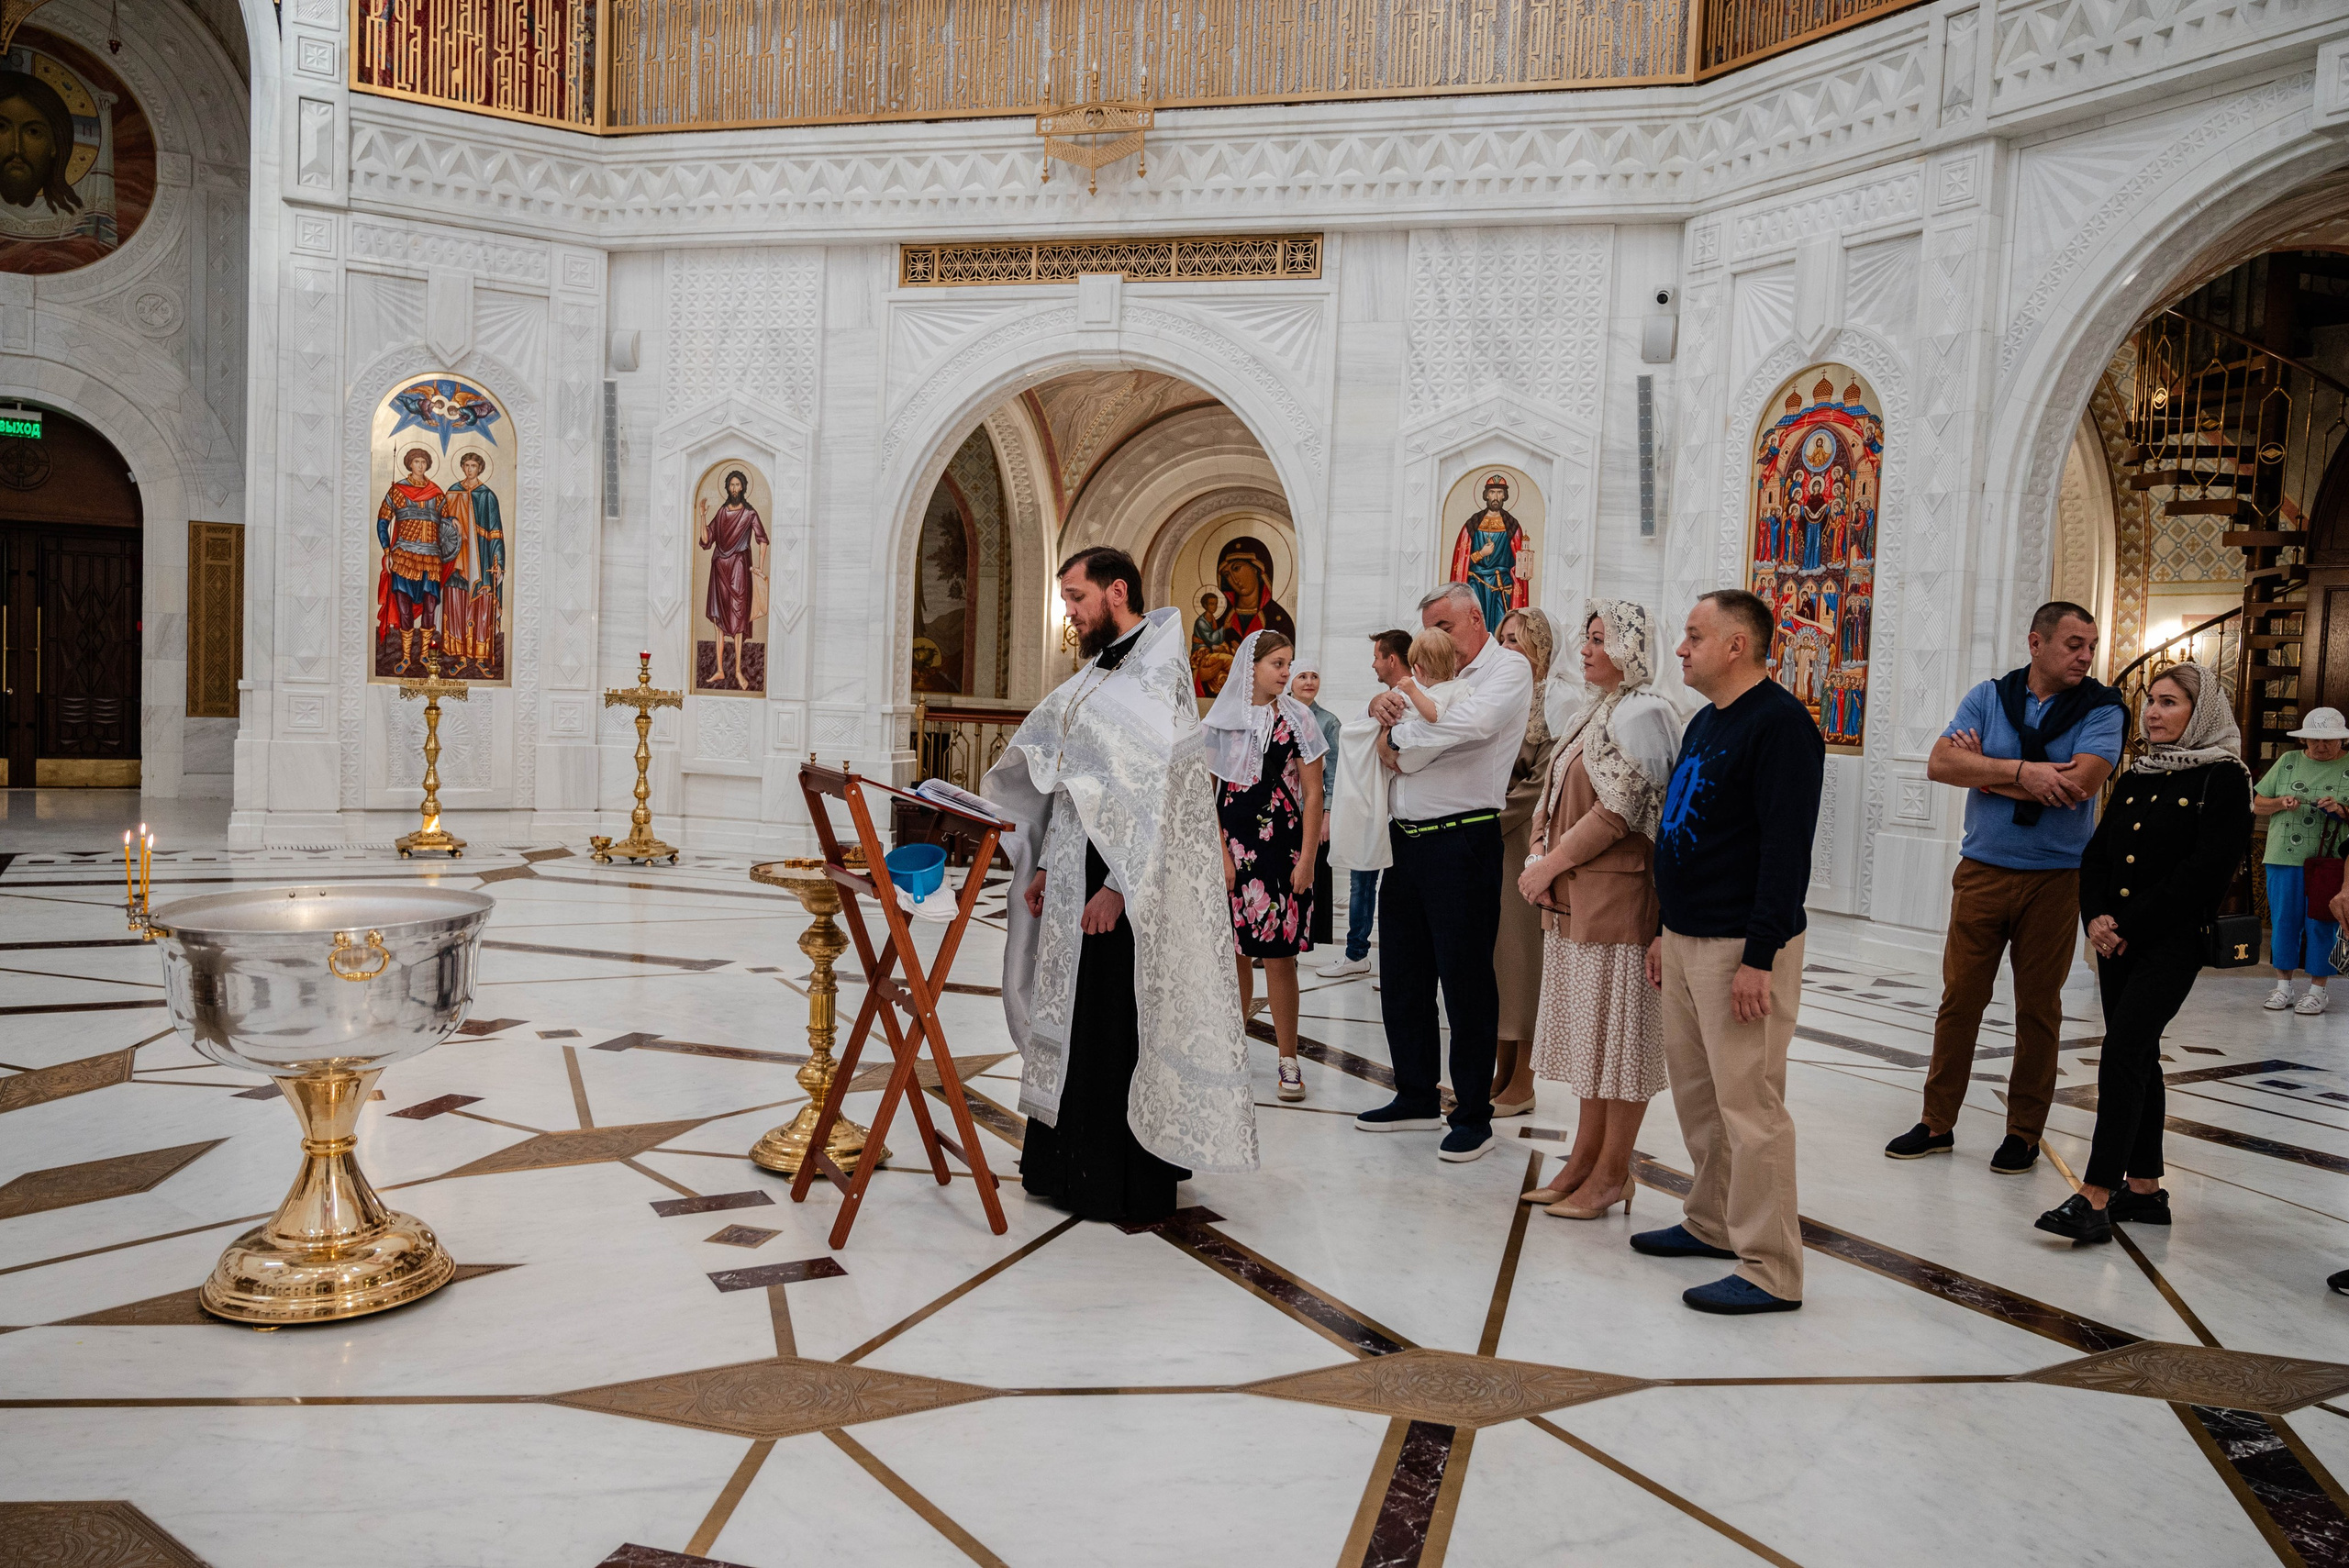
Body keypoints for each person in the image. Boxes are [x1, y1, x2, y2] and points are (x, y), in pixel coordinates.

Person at [985, 547, 1259, 1224]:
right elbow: (1072, 780)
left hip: (1126, 887)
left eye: (1077, 598)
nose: (1070, 614)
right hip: (1076, 870)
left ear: (1117, 592)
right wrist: (1049, 861)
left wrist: (1114, 885)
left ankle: (1113, 1180)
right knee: (1075, 1022)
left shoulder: (1158, 675)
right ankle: (1062, 1166)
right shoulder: (1095, 677)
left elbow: (1155, 795)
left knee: (1113, 1026)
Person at [1883, 602, 2123, 1174]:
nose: (2086, 655)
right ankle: (1937, 1122)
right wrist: (2023, 773)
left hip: (2056, 879)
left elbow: (2081, 784)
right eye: (2073, 644)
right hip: (1983, 871)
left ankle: (2023, 1132)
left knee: (2039, 1008)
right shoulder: (1989, 696)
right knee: (1959, 999)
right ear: (2036, 643)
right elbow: (1941, 764)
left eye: (2090, 645)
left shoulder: (2104, 708)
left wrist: (1987, 772)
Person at [1633, 589, 1822, 1315]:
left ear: (1736, 644)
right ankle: (1711, 1221)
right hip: (1687, 936)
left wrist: (1760, 956)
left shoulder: (1780, 725)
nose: (1681, 648)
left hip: (1740, 943)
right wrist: (1662, 928)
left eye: (1693, 636)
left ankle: (1772, 1266)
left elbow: (1784, 851)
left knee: (1751, 1105)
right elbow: (1686, 825)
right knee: (1700, 1095)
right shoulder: (1707, 721)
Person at [2036, 663, 2252, 1244]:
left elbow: (2205, 873)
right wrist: (2097, 918)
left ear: (2200, 712)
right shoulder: (2140, 772)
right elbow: (2099, 854)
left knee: (2124, 1051)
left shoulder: (2224, 778)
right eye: (2150, 701)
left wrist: (2127, 922)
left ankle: (2095, 1194)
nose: (2153, 713)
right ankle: (2146, 1191)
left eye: (2169, 702)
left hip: (2169, 940)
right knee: (2140, 1056)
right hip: (2116, 940)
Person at [1354, 582, 1533, 1163]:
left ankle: (1474, 1113)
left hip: (1463, 842)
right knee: (1403, 973)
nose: (1433, 639)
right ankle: (1413, 1094)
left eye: (1444, 626)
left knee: (1465, 980)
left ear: (1475, 619)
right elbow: (1387, 724)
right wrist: (1384, 711)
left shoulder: (1507, 671)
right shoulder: (1427, 676)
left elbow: (1468, 729)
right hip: (1406, 842)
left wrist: (1399, 733)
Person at [1518, 603, 1679, 1217]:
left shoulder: (1645, 713)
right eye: (1585, 639)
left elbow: (1620, 811)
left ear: (1631, 647)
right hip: (1574, 900)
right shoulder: (1594, 710)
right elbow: (1553, 790)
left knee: (1621, 1047)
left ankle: (1614, 1173)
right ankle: (1583, 1161)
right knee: (1592, 1043)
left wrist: (1548, 865)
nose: (1584, 650)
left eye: (1599, 639)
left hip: (1619, 902)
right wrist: (1539, 850)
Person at [1208, 629, 1329, 1104]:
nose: (1286, 672)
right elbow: (1208, 794)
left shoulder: (1300, 719)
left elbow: (1315, 793)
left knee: (1281, 957)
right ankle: (1231, 1049)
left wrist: (1308, 861)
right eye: (1278, 664)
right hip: (1233, 848)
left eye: (1289, 664)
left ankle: (1288, 1059)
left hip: (1283, 848)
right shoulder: (1222, 719)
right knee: (1235, 952)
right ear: (1251, 667)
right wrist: (1220, 853)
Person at [1491, 608, 1561, 1118]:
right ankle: (1501, 1066)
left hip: (1521, 843)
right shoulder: (1499, 694)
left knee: (1521, 960)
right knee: (1495, 960)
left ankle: (1525, 1079)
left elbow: (1541, 784)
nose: (1508, 648)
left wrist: (1485, 817)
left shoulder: (1554, 702)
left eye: (1517, 640)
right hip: (1492, 845)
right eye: (1502, 639)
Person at [1321, 629, 1413, 978]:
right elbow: (1359, 730)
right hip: (1374, 808)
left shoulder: (1416, 695)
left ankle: (1397, 964)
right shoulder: (1383, 698)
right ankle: (1357, 953)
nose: (1373, 663)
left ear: (1391, 659)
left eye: (1377, 656)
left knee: (1397, 893)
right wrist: (1374, 707)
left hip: (1403, 812)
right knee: (1362, 882)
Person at [2253, 706, 2349, 1015]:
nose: (2320, 746)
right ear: (2304, 739)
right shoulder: (2288, 762)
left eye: (2328, 740)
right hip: (2283, 856)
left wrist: (2341, 809)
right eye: (2313, 740)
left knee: (2322, 923)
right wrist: (2281, 802)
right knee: (2284, 922)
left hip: (2329, 861)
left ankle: (2318, 990)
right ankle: (2283, 987)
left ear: (2341, 740)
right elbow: (2257, 804)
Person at [375, 446, 450, 673]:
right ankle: (407, 657)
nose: (420, 466)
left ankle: (425, 656)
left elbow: (446, 524)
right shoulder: (397, 490)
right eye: (416, 462)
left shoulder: (437, 494)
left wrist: (454, 520)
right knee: (405, 606)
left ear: (427, 465)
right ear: (409, 464)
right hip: (403, 557)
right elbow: (382, 521)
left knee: (429, 605)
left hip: (431, 559)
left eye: (423, 462)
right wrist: (387, 550)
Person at [1289, 657, 1343, 950]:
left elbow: (1334, 773)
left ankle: (1300, 940)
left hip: (1311, 811)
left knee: (1307, 877)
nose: (1309, 682)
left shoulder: (1328, 722)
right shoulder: (1276, 714)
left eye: (1314, 676)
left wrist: (1327, 815)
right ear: (1290, 682)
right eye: (1302, 677)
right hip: (1280, 811)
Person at [699, 468, 770, 691]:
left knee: (739, 620)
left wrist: (759, 567)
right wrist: (702, 515)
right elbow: (706, 539)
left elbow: (762, 540)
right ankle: (720, 669)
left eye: (738, 485)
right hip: (719, 568)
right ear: (727, 487)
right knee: (719, 620)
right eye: (731, 485)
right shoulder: (721, 512)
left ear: (744, 488)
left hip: (739, 568)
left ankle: (738, 670)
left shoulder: (750, 514)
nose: (734, 488)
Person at [439, 450, 506, 670]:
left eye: (473, 466)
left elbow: (496, 532)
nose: (469, 469)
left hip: (482, 560)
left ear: (480, 468)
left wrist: (499, 563)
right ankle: (461, 657)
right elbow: (440, 524)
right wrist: (451, 519)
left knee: (480, 606)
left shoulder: (487, 496)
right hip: (457, 560)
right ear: (462, 467)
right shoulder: (452, 493)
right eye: (466, 465)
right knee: (457, 605)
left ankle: (479, 657)